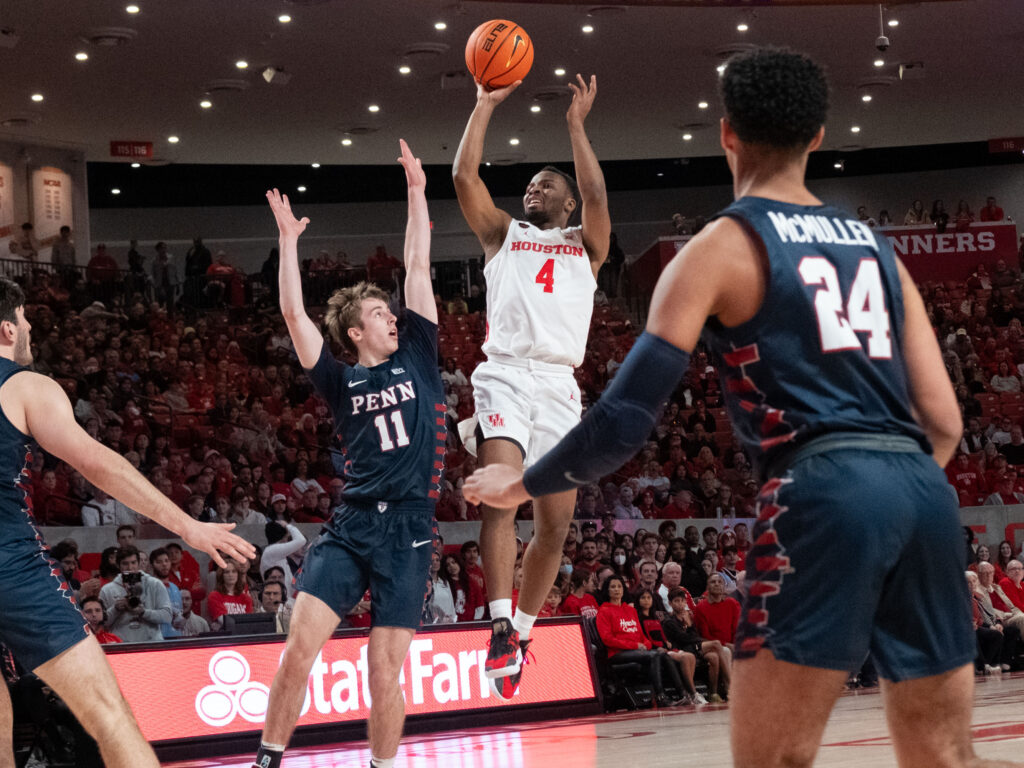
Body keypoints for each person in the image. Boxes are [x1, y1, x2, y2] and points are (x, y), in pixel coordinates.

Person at [465, 48, 997, 768]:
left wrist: (521, 484)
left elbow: (624, 420)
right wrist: (893, 503)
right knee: (944, 756)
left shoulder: (721, 245)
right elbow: (945, 423)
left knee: (773, 758)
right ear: (817, 138)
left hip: (824, 490)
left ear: (725, 134)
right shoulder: (878, 248)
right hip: (925, 500)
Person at [0, 277, 252, 767]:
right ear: (7, 329)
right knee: (109, 716)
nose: (31, 325)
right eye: (26, 317)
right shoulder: (24, 385)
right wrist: (186, 524)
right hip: (10, 568)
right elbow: (98, 463)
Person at [251, 141, 443, 768]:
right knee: (297, 650)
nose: (393, 316)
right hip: (353, 523)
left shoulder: (419, 354)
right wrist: (288, 243)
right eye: (379, 313)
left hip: (410, 526)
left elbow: (417, 264)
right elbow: (291, 312)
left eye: (392, 311)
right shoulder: (339, 379)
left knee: (382, 668)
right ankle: (268, 758)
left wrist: (417, 192)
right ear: (356, 332)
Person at [452, 71, 611, 700]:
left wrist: (576, 126)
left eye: (546, 184)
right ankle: (495, 624)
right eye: (530, 184)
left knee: (556, 524)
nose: (533, 188)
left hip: (559, 385)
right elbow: (466, 179)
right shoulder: (502, 235)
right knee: (500, 494)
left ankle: (520, 631)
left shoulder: (587, 245)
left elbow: (597, 195)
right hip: (506, 374)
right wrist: (482, 107)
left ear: (565, 203)